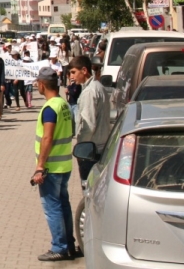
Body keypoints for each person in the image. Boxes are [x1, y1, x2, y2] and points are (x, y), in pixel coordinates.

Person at [31, 67, 76, 262]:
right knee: (63, 205)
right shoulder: (63, 104)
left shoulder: (50, 108)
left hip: (51, 168)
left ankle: (59, 246)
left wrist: (40, 166)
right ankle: (69, 244)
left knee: (52, 208)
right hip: (64, 165)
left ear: (41, 84)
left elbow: (47, 137)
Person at [68, 56, 110, 184]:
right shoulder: (98, 86)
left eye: (73, 72)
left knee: (89, 188)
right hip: (101, 147)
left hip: (91, 150)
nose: (71, 76)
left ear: (84, 70)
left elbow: (88, 125)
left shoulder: (89, 92)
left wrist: (81, 148)